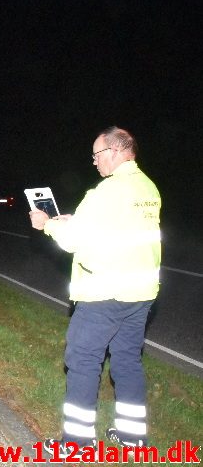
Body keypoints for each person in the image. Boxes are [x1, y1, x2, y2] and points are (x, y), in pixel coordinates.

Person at [28, 126, 161, 456]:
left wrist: (47, 224)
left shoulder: (106, 191)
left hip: (105, 293)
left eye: (97, 155)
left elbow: (74, 240)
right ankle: (133, 438)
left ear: (116, 152)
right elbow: (117, 228)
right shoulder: (147, 187)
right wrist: (76, 219)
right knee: (127, 361)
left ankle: (75, 445)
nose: (94, 162)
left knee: (83, 362)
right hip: (140, 293)